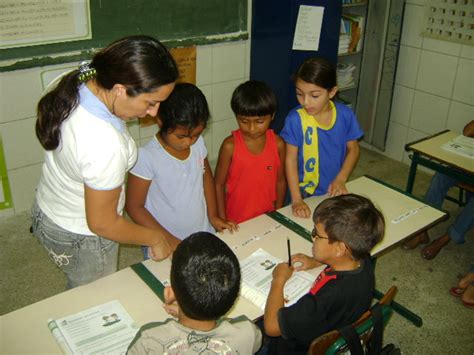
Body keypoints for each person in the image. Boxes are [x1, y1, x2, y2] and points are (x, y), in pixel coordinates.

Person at [31, 35, 179, 289]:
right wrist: (155, 237)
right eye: (151, 103)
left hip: (48, 208)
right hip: (82, 236)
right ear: (120, 89)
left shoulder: (79, 82)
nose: (154, 113)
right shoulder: (104, 145)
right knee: (93, 298)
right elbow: (102, 223)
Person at [125, 83, 237, 259]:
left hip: (201, 233)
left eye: (196, 135)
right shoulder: (146, 157)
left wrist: (213, 216)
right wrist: (168, 240)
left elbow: (206, 179)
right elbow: (134, 207)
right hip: (164, 243)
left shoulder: (198, 145)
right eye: (181, 136)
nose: (189, 142)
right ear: (160, 120)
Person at [263, 194, 384, 354]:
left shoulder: (324, 300)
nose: (312, 237)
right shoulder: (363, 258)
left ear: (340, 248)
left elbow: (271, 327)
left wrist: (278, 280)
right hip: (341, 325)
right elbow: (345, 258)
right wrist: (318, 261)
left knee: (256, 328)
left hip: (300, 348)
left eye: (317, 234)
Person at [126, 232, 263, 354]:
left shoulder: (148, 341)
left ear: (169, 294)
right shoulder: (249, 333)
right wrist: (197, 308)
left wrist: (189, 308)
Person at [280, 57, 363, 218]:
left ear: (331, 92)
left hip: (333, 188)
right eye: (299, 94)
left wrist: (341, 178)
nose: (306, 102)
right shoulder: (295, 119)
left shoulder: (345, 115)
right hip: (302, 190)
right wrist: (296, 199)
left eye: (315, 95)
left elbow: (353, 149)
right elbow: (290, 160)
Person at [215, 80, 286, 224]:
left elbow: (280, 181)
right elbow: (218, 185)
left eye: (259, 121)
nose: (252, 129)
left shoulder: (278, 144)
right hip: (235, 221)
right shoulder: (230, 146)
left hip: (267, 217)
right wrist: (222, 219)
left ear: (272, 116)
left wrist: (278, 214)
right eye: (244, 121)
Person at [402, 120, 474, 260]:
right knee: (441, 176)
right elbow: (467, 132)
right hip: (468, 168)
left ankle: (446, 238)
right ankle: (423, 228)